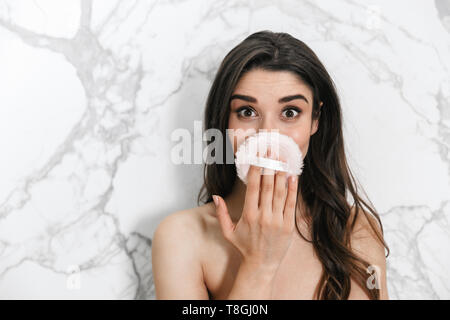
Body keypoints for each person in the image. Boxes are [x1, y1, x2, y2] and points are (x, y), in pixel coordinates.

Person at [152, 30, 390, 300]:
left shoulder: (356, 230)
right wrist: (259, 265)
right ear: (224, 123)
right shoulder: (182, 237)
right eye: (247, 112)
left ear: (316, 120)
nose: (267, 135)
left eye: (290, 113)